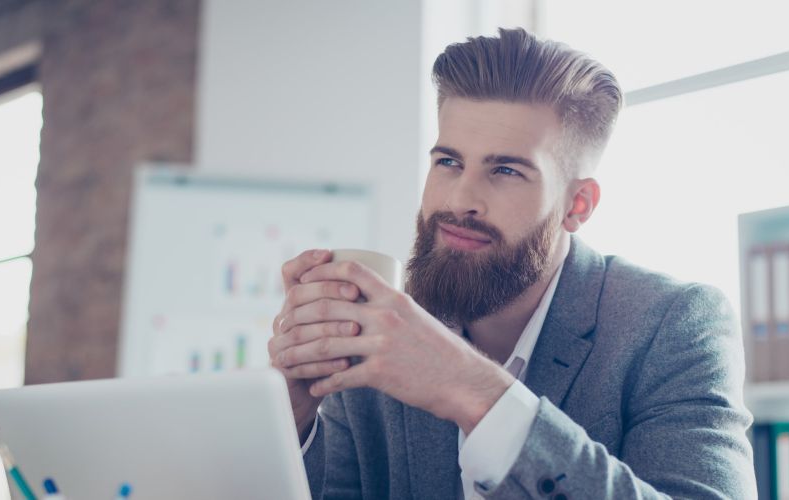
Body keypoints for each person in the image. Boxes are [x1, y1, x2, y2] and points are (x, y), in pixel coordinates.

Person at [268, 27, 756, 499]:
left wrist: (469, 388)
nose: (462, 200)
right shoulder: (384, 328)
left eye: (506, 170)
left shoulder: (674, 325)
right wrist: (290, 417)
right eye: (448, 162)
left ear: (577, 205)